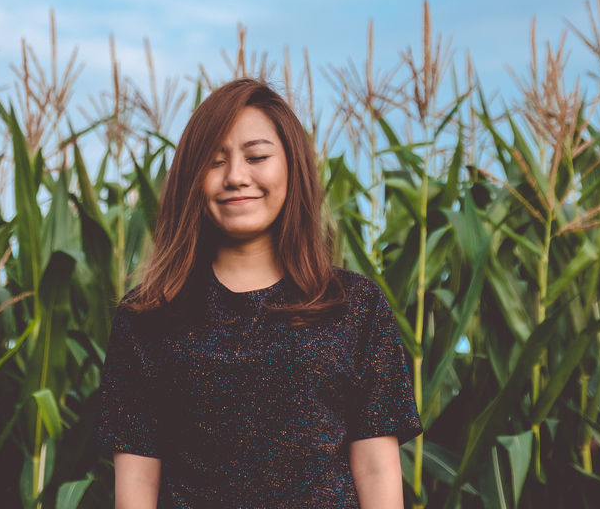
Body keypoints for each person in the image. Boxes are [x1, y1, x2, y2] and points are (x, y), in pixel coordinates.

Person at [94, 77, 422, 508]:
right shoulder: (148, 316)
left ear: (291, 167)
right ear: (192, 179)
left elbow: (377, 470)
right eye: (214, 161)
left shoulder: (355, 306)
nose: (235, 176)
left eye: (257, 157)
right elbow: (136, 483)